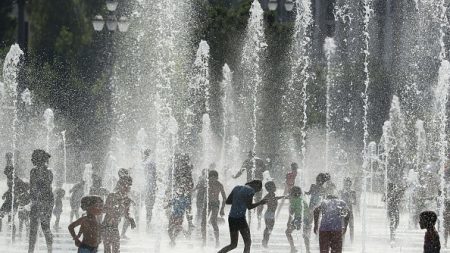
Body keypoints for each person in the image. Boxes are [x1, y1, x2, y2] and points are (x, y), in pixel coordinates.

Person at [218, 180, 267, 253]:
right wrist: (260, 202)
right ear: (256, 185)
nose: (256, 192)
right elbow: (249, 206)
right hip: (240, 218)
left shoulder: (237, 188)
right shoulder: (251, 190)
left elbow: (228, 201)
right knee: (248, 242)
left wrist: (238, 200)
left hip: (231, 218)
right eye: (258, 190)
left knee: (233, 244)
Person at [233, 151, 269, 227]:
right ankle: (257, 220)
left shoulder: (247, 161)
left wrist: (235, 177)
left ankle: (251, 222)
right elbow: (266, 171)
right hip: (258, 184)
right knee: (258, 202)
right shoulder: (259, 161)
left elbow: (241, 171)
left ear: (249, 155)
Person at [28, 149, 54, 253]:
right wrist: (32, 199)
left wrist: (38, 197)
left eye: (34, 158)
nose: (32, 160)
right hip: (36, 202)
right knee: (33, 229)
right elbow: (32, 187)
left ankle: (49, 250)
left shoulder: (48, 172)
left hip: (45, 202)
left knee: (45, 226)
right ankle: (30, 251)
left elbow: (46, 187)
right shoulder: (33, 171)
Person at [102, 175, 136, 253]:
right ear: (120, 185)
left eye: (129, 186)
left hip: (115, 227)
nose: (127, 187)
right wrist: (111, 209)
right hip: (106, 226)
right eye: (125, 185)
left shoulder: (127, 200)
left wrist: (130, 219)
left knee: (116, 250)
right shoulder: (112, 196)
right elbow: (103, 210)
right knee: (107, 250)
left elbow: (126, 213)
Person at [167, 153, 194, 246]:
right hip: (180, 193)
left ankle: (185, 227)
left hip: (182, 194)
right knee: (181, 212)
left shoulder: (183, 169)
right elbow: (190, 184)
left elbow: (190, 184)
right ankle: (183, 228)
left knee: (183, 212)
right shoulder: (181, 169)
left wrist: (185, 190)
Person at [201, 170, 226, 247]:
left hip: (215, 204)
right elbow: (199, 190)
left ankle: (217, 241)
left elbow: (224, 198)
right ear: (209, 177)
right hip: (206, 204)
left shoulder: (219, 185)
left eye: (214, 178)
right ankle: (204, 241)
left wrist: (222, 209)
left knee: (213, 221)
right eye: (211, 178)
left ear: (217, 178)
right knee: (203, 223)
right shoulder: (206, 184)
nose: (212, 179)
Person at [286, 186, 310, 253]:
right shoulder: (303, 201)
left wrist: (288, 222)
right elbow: (308, 212)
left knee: (287, 232)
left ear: (292, 193)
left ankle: (293, 248)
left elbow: (291, 213)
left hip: (298, 219)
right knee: (305, 235)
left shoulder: (293, 200)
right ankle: (308, 250)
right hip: (306, 219)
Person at [261, 181, 284, 248]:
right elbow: (262, 201)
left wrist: (283, 197)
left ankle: (265, 242)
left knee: (269, 229)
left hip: (270, 214)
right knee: (268, 229)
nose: (275, 187)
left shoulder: (272, 194)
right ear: (271, 188)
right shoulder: (269, 195)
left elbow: (275, 198)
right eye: (274, 186)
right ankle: (264, 242)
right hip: (269, 214)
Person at [142, 149, 156, 231]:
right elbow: (155, 175)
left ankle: (146, 223)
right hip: (150, 189)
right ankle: (148, 223)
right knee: (149, 207)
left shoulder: (142, 164)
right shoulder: (152, 163)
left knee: (146, 207)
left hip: (146, 188)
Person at [339, 177, 356, 243]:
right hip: (343, 211)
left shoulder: (353, 192)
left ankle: (352, 242)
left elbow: (354, 202)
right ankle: (342, 242)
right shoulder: (341, 191)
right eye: (346, 183)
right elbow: (339, 201)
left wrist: (350, 197)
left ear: (350, 184)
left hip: (350, 212)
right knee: (343, 227)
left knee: (351, 227)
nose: (347, 185)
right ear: (344, 184)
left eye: (349, 183)